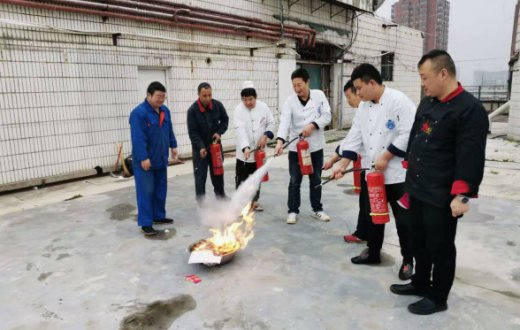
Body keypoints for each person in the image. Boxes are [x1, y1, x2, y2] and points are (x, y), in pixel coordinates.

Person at [390, 50, 489, 315]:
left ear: (443, 73)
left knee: (440, 246)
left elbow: (471, 155)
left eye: (425, 77)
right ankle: (420, 282)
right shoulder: (428, 103)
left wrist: (463, 195)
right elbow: (415, 138)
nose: (423, 83)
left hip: (442, 193)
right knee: (418, 240)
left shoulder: (469, 110)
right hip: (418, 187)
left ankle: (438, 296)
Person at [331, 63, 416, 280]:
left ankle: (408, 260)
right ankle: (373, 251)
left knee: (404, 222)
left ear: (372, 83)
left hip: (398, 175)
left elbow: (409, 133)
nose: (357, 93)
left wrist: (386, 156)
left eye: (359, 88)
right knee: (373, 216)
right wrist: (342, 165)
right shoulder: (364, 107)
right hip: (373, 174)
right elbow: (355, 135)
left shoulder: (398, 101)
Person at [275, 68, 332, 224]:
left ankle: (317, 209)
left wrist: (313, 125)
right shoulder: (290, 101)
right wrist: (280, 141)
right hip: (296, 149)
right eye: (294, 86)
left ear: (308, 82)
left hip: (315, 147)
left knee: (316, 179)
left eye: (300, 85)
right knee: (295, 180)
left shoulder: (319, 95)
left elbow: (327, 115)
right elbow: (285, 122)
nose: (297, 89)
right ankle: (293, 211)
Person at [129, 82, 178, 236]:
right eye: (158, 96)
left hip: (160, 158)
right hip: (145, 161)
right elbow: (138, 138)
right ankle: (146, 223)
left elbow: (169, 130)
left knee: (160, 189)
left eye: (163, 97)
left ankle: (158, 216)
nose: (161, 100)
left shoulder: (165, 111)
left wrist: (173, 145)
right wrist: (143, 157)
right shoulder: (139, 113)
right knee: (146, 191)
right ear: (149, 95)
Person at [323, 80, 369, 243]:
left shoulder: (368, 109)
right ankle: (362, 233)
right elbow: (350, 139)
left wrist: (340, 164)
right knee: (365, 203)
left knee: (370, 205)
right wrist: (334, 158)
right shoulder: (361, 111)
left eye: (349, 96)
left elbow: (354, 142)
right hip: (367, 167)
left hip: (377, 167)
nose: (348, 101)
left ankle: (367, 237)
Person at [234, 81, 275, 211]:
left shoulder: (263, 107)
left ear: (255, 97)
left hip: (260, 152)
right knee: (242, 179)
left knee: (257, 178)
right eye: (244, 100)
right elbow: (240, 130)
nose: (247, 103)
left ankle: (254, 201)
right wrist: (246, 147)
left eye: (250, 99)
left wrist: (265, 135)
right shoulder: (238, 110)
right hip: (244, 154)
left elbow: (271, 123)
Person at [187, 82, 229, 204]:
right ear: (198, 95)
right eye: (204, 95)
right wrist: (200, 147)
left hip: (215, 147)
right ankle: (201, 202)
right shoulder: (192, 111)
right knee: (200, 177)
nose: (207, 98)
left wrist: (219, 132)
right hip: (200, 151)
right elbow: (193, 133)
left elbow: (225, 120)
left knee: (218, 174)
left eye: (209, 95)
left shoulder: (217, 105)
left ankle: (221, 196)